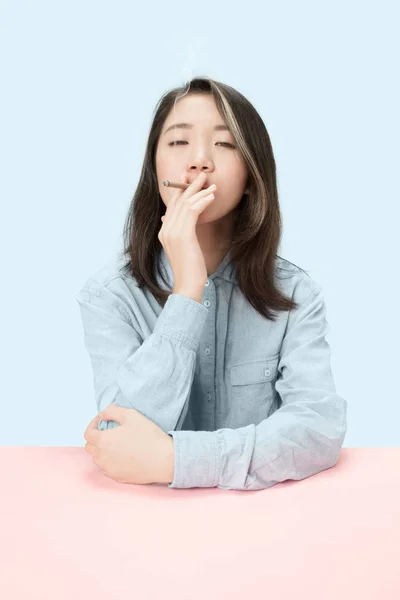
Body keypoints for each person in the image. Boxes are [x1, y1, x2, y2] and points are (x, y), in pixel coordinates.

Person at [76, 76, 347, 491]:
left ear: (252, 171)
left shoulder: (295, 294)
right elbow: (116, 438)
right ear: (155, 167)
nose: (200, 161)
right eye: (179, 142)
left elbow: (318, 428)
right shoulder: (109, 296)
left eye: (225, 144)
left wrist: (176, 461)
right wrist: (188, 290)